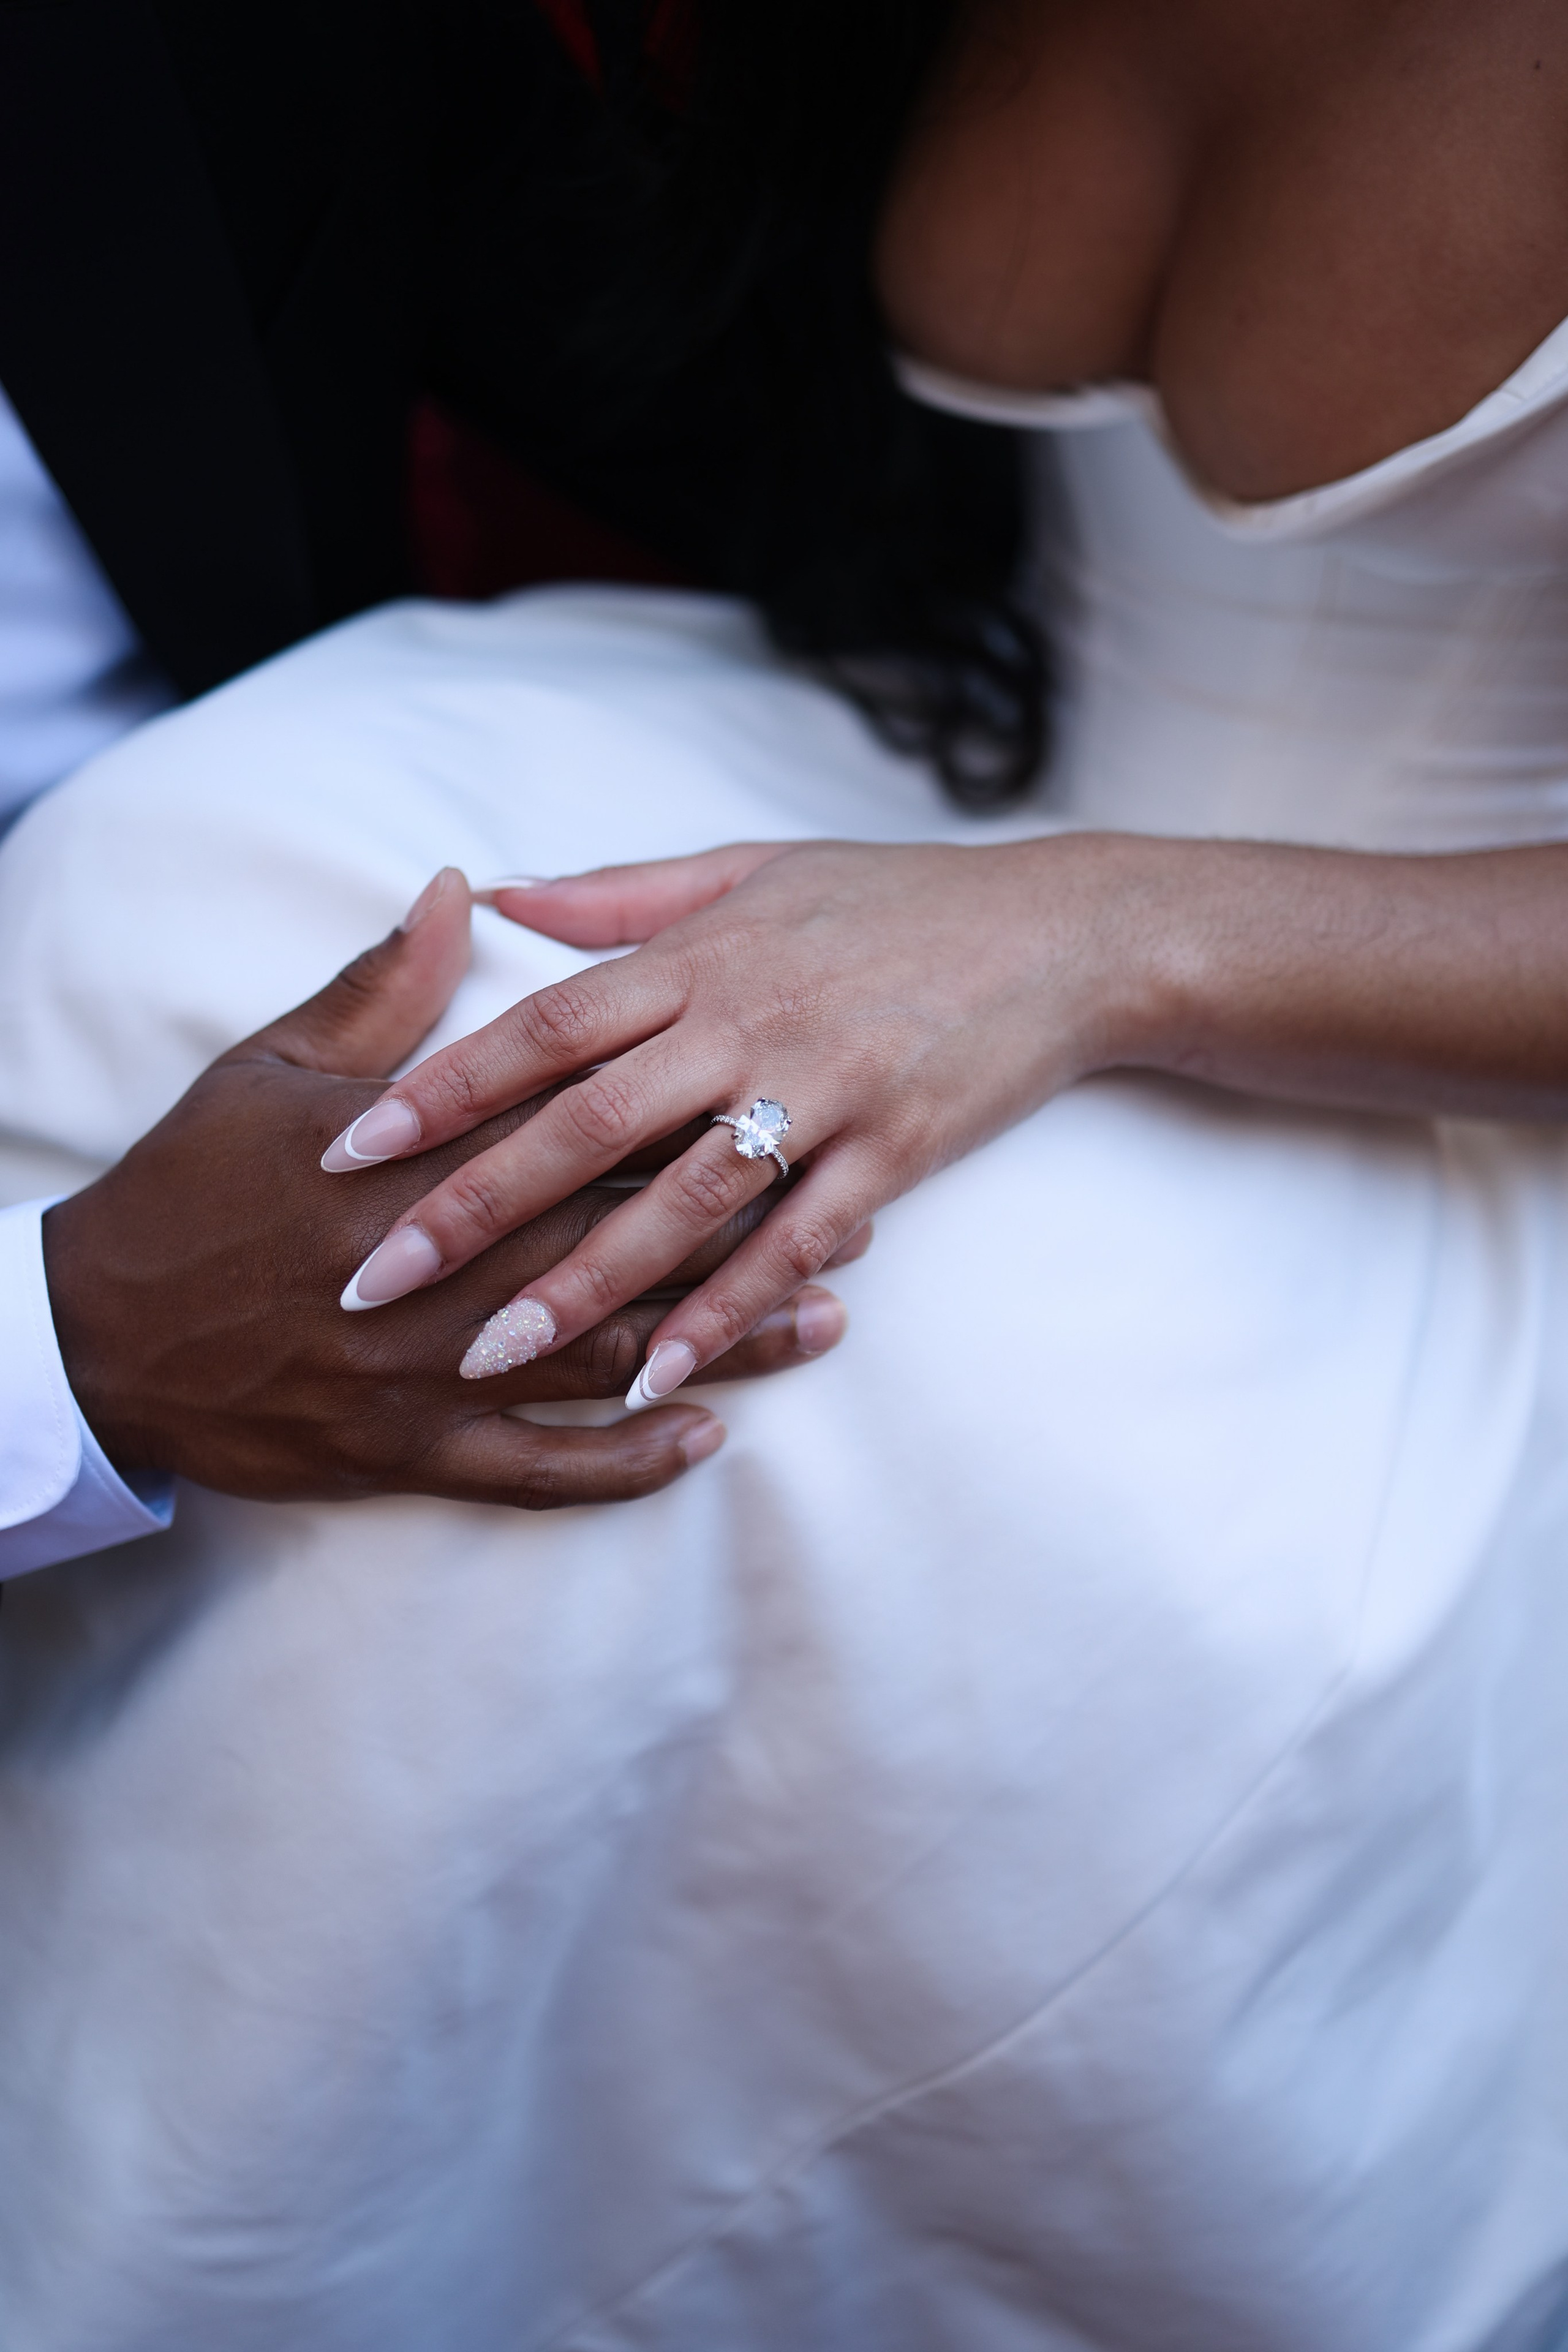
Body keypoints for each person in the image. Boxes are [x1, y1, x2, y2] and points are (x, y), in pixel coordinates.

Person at [6, 0, 1568, 2344]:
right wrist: (84, 1334)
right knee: (206, 928)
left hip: (1416, 1048)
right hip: (940, 756)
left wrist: (1104, 930)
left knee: (709, 1437)